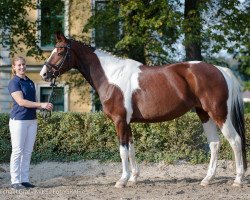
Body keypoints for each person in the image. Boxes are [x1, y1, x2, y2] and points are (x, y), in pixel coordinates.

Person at [8, 56, 53, 190]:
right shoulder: (14, 83)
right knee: (17, 151)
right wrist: (41, 104)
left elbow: (34, 102)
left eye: (23, 64)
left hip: (32, 120)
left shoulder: (30, 82)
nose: (22, 67)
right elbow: (21, 102)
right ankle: (15, 181)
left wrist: (44, 106)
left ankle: (25, 180)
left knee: (27, 152)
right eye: (19, 65)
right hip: (19, 121)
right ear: (14, 67)